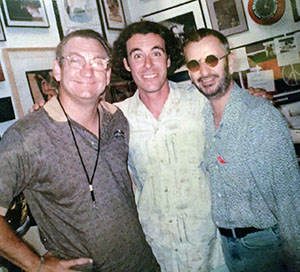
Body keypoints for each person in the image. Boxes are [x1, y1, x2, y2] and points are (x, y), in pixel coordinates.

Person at [0, 29, 159, 272]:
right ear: (57, 70)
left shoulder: (118, 120)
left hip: (143, 264)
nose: (87, 71)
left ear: (107, 75)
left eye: (98, 62)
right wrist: (35, 265)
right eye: (75, 61)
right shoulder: (27, 137)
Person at [183, 28, 300, 271]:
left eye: (212, 60)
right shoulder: (201, 117)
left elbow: (291, 201)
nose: (204, 72)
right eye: (195, 64)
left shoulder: (261, 117)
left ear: (231, 62)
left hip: (264, 246)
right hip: (227, 247)